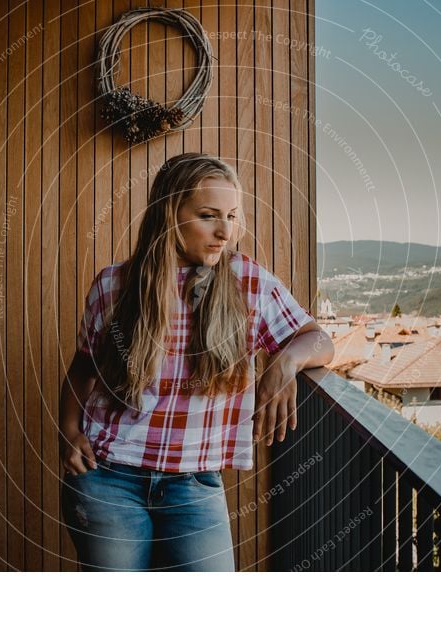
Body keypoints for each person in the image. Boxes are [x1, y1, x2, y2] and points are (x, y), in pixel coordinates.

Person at [59, 153, 334, 571]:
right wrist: (68, 431)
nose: (225, 231)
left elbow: (319, 340)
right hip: (108, 477)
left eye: (232, 216)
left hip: (195, 483)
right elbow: (84, 368)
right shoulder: (113, 285)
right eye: (209, 216)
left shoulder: (247, 281)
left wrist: (285, 362)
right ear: (170, 214)